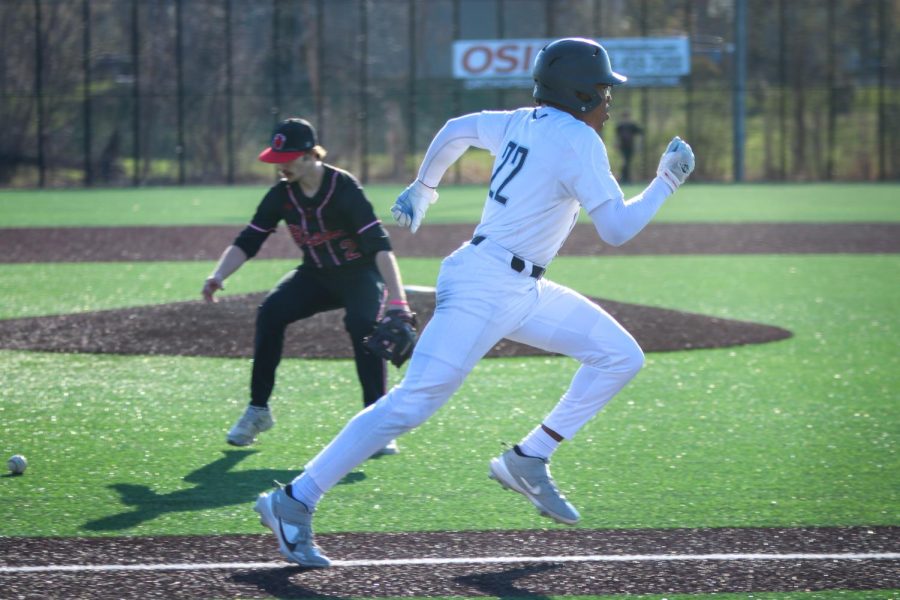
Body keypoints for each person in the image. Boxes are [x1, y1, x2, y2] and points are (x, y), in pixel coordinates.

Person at [252, 38, 695, 568]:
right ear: (578, 92)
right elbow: (618, 229)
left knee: (621, 356)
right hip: (488, 284)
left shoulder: (521, 120)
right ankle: (293, 501)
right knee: (411, 403)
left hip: (517, 285)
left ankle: (529, 458)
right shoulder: (578, 139)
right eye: (603, 89)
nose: (608, 100)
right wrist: (666, 181)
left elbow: (456, 129)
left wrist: (424, 186)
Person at [202, 117, 411, 455]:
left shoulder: (343, 188)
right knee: (270, 312)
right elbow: (250, 239)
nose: (280, 166)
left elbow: (379, 246)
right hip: (315, 275)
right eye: (277, 159)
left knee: (362, 326)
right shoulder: (281, 196)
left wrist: (398, 302)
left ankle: (376, 425)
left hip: (359, 276)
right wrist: (219, 275)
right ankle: (258, 410)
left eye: (287, 159)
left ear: (309, 155)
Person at [615, 109, 643, 183]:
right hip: (622, 147)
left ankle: (626, 178)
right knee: (624, 161)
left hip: (630, 146)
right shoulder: (620, 126)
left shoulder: (632, 126)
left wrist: (638, 145)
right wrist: (616, 144)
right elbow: (617, 136)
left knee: (628, 162)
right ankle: (624, 178)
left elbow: (640, 133)